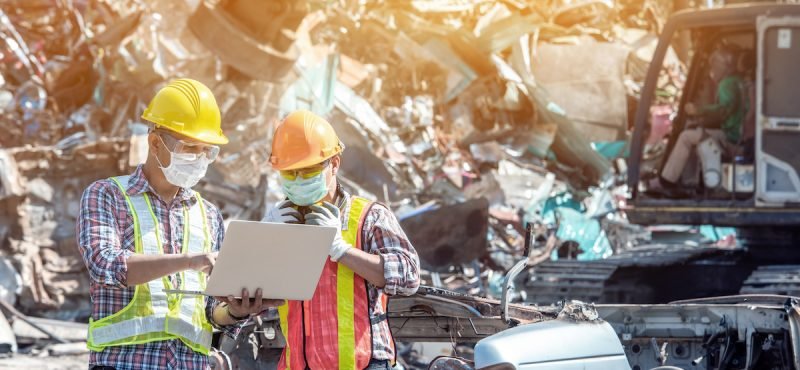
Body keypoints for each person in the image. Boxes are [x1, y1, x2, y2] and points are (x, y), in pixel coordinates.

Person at [78, 78, 281, 370]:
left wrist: (236, 312)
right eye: (190, 147)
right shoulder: (107, 195)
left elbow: (210, 311)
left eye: (207, 151)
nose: (199, 158)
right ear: (155, 142)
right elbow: (106, 265)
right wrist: (191, 261)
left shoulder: (208, 214)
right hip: (124, 363)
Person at [263, 110, 421, 370]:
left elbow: (409, 276)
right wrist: (265, 243)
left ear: (334, 164)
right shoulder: (280, 221)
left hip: (365, 364)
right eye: (290, 173)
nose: (299, 179)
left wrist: (341, 250)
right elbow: (247, 301)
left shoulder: (369, 217)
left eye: (308, 170)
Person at [651, 46, 748, 195]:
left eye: (715, 65)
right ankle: (694, 183)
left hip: (731, 137)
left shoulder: (726, 84)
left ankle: (666, 181)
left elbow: (724, 109)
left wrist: (699, 110)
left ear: (724, 66)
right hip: (741, 135)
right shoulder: (739, 81)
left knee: (686, 137)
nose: (713, 70)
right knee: (695, 135)